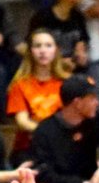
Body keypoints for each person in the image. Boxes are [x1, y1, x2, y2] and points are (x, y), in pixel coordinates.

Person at [6, 29, 68, 161]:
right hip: (29, 148)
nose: (43, 51)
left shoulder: (67, 83)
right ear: (30, 51)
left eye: (48, 45)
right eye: (37, 46)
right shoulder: (19, 85)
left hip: (63, 146)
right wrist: (50, 134)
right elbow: (22, 122)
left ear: (56, 50)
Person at [28, 0, 89, 72]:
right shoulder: (42, 18)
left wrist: (80, 52)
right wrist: (60, 62)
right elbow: (34, 48)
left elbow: (82, 40)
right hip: (48, 68)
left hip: (74, 67)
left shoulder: (77, 16)